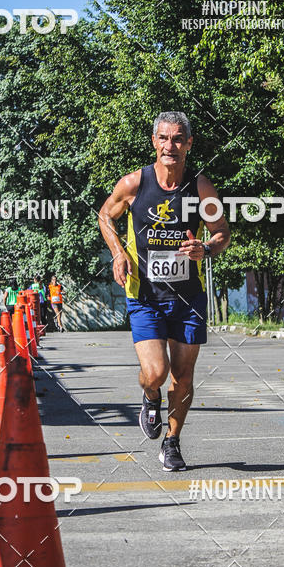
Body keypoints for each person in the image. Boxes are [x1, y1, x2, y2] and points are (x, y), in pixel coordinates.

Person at [98, 111, 230, 470]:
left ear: (188, 144)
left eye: (177, 139)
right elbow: (105, 216)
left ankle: (172, 442)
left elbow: (222, 232)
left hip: (188, 297)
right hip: (145, 296)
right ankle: (150, 395)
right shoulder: (134, 184)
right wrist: (118, 252)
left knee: (183, 377)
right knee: (156, 373)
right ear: (154, 141)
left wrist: (206, 248)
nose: (170, 146)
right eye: (164, 138)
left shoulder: (200, 188)